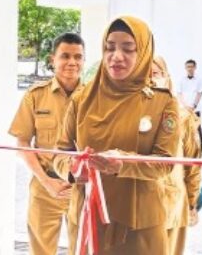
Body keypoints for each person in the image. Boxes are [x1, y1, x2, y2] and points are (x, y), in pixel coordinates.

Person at [53, 16, 180, 254]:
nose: (116, 56)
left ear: (143, 53)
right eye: (109, 48)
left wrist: (123, 163)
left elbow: (165, 162)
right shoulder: (82, 99)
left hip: (140, 223)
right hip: (88, 219)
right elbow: (60, 152)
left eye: (128, 49)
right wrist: (71, 169)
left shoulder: (162, 102)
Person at [9, 33, 85, 255]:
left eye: (78, 57)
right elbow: (22, 143)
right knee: (40, 250)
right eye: (65, 56)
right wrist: (46, 182)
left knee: (83, 248)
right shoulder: (35, 96)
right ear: (53, 59)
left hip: (80, 188)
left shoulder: (93, 98)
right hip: (45, 187)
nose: (72, 62)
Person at [152, 56, 202, 255]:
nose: (150, 80)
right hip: (134, 207)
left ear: (166, 77)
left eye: (155, 74)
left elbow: (193, 163)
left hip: (170, 204)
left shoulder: (182, 116)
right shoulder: (126, 113)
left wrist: (192, 203)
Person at [177, 59, 202, 152]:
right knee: (183, 128)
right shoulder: (181, 79)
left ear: (195, 67)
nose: (190, 68)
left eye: (192, 67)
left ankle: (200, 149)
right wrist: (185, 106)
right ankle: (183, 149)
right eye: (188, 67)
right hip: (184, 109)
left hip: (195, 108)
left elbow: (199, 93)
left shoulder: (199, 79)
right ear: (185, 68)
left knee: (197, 128)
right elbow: (179, 94)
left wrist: (194, 105)